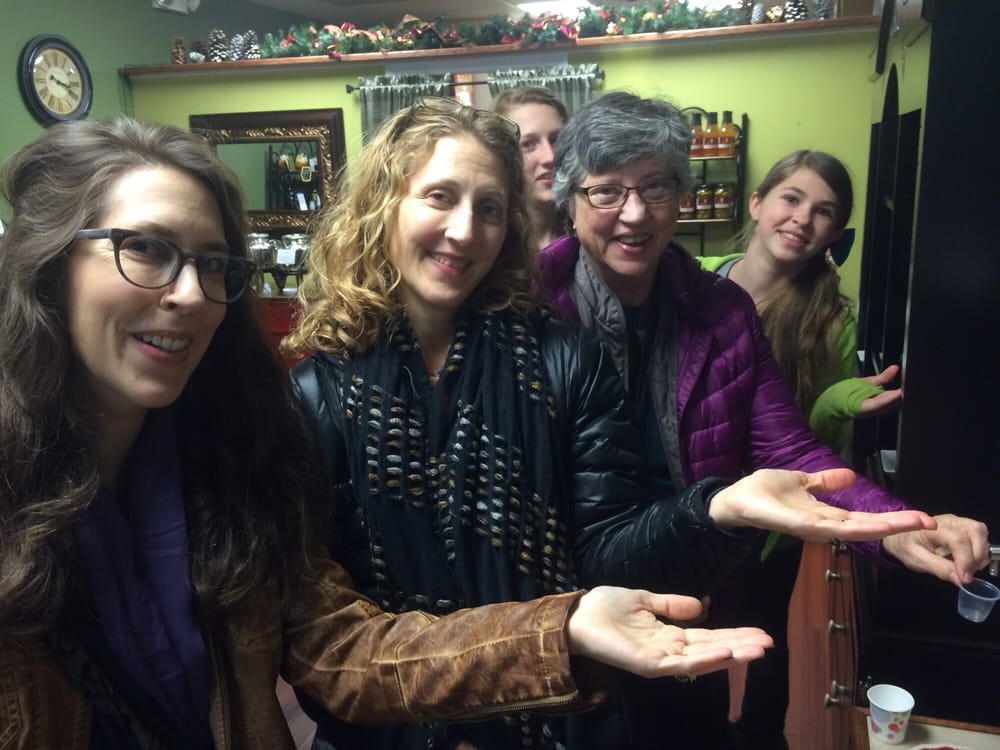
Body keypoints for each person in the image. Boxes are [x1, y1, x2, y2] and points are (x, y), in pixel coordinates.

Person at [0, 115, 789, 750]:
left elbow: (336, 647)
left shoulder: (223, 460)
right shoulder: (307, 398)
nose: (186, 293)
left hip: (557, 717)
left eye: (214, 266)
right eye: (144, 248)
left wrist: (705, 517)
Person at [283, 96, 937, 750]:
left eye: (488, 208)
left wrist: (721, 510)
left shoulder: (574, 353)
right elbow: (320, 637)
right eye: (439, 197)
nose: (463, 230)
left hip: (611, 649)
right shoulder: (320, 392)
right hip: (434, 710)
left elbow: (608, 537)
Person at [539, 90, 991, 749]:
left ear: (681, 195)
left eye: (656, 187)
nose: (634, 213)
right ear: (571, 201)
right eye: (606, 191)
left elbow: (793, 447)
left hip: (687, 593)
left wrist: (898, 528)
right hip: (558, 607)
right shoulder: (527, 306)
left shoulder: (722, 311)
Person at [697, 150, 908, 749]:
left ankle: (763, 738)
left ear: (833, 235)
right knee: (692, 624)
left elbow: (809, 445)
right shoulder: (695, 276)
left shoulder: (832, 322)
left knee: (766, 635)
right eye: (791, 198)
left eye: (823, 212)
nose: (802, 219)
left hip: (771, 520)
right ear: (757, 203)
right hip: (693, 496)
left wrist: (840, 400)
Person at [493, 86, 569, 250]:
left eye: (556, 140)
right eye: (528, 144)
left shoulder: (587, 236)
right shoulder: (492, 246)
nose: (550, 157)